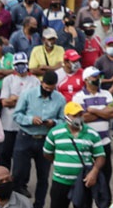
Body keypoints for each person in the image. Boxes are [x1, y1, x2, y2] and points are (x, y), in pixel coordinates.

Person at [12, 72, 66, 208]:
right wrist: (30, 120)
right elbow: (16, 115)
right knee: (18, 173)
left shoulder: (60, 99)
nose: (48, 90)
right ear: (42, 83)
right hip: (26, 137)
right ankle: (15, 204)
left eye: (51, 88)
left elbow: (64, 121)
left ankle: (39, 205)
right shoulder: (27, 94)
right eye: (46, 87)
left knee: (43, 176)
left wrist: (53, 123)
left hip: (45, 139)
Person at [44, 101, 104, 208]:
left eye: (80, 115)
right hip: (60, 182)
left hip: (83, 183)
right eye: (75, 115)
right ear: (66, 116)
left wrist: (94, 172)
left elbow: (100, 156)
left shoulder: (92, 133)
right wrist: (60, 163)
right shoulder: (55, 133)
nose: (78, 118)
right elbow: (47, 153)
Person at [72, 67, 113, 194]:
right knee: (87, 176)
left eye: (98, 77)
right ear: (86, 80)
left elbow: (112, 113)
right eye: (95, 77)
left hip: (104, 142)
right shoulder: (78, 97)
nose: (98, 80)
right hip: (87, 144)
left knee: (106, 176)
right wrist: (102, 113)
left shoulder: (106, 94)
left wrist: (93, 110)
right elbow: (81, 118)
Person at [0, 52, 38, 169]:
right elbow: (5, 102)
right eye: (18, 64)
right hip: (8, 124)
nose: (21, 66)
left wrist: (15, 99)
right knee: (5, 154)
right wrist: (24, 100)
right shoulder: (8, 80)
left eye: (23, 63)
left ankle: (21, 184)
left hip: (25, 124)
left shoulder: (34, 81)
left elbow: (34, 104)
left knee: (23, 157)